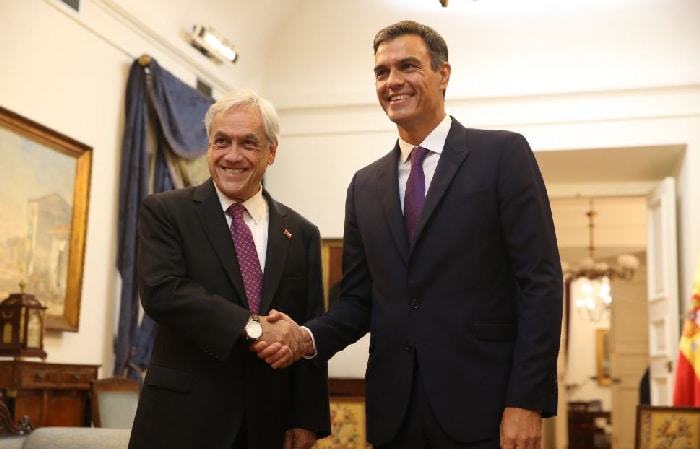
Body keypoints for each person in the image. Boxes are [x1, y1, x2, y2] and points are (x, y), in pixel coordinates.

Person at [255, 20, 563, 449]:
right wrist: (304, 337)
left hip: (487, 411)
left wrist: (526, 400)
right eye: (381, 72)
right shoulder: (364, 185)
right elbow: (359, 301)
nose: (392, 82)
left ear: (443, 74)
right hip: (394, 415)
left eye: (408, 66)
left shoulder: (502, 156)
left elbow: (541, 284)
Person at [128, 88, 330, 449]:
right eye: (222, 141)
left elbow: (308, 324)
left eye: (248, 144)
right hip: (181, 421)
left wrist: (307, 417)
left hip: (267, 424)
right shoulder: (165, 212)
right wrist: (252, 328)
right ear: (209, 147)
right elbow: (163, 293)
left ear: (271, 152)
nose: (232, 156)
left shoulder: (301, 233)